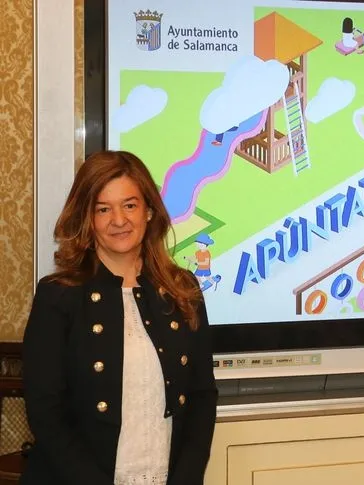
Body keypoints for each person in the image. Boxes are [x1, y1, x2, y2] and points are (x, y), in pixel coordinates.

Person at [22, 150, 218, 485]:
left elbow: (202, 395)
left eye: (130, 205)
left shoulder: (182, 289)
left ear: (149, 211)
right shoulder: (58, 295)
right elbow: (45, 412)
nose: (119, 220)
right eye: (103, 209)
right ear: (87, 218)